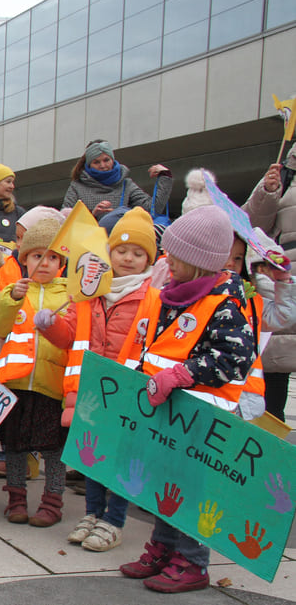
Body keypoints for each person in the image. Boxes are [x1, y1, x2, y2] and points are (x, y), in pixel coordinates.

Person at [115, 205, 254, 594]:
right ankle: (163, 547)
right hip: (168, 415)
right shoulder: (171, 296)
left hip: (203, 418)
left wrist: (182, 374)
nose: (167, 261)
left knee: (192, 489)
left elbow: (235, 359)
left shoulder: (224, 304)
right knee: (165, 483)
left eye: (175, 255)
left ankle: (192, 561)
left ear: (197, 261)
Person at [36, 207, 158, 551]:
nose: (129, 258)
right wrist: (50, 324)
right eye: (122, 251)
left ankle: (114, 520)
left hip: (128, 394)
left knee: (119, 460)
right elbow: (69, 336)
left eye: (138, 253)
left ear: (148, 258)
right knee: (89, 454)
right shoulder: (89, 293)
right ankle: (92, 513)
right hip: (90, 391)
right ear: (109, 253)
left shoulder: (152, 297)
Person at [0, 218, 70, 526]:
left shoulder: (69, 295)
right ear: (25, 259)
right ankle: (16, 498)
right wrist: (11, 299)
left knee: (54, 450)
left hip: (52, 386)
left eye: (51, 257)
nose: (43, 262)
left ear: (60, 262)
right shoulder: (14, 290)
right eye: (36, 256)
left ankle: (52, 501)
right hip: (16, 383)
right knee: (15, 446)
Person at [243, 157, 296, 420]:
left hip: (282, 283)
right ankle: (266, 437)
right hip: (281, 277)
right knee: (274, 366)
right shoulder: (285, 173)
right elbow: (250, 224)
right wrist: (268, 192)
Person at [62, 140, 171, 219]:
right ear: (89, 165)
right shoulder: (76, 186)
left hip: (120, 244)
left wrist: (165, 176)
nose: (103, 165)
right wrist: (92, 215)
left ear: (113, 160)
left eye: (106, 160)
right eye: (96, 162)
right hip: (86, 244)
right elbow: (65, 220)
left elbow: (152, 209)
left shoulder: (126, 184)